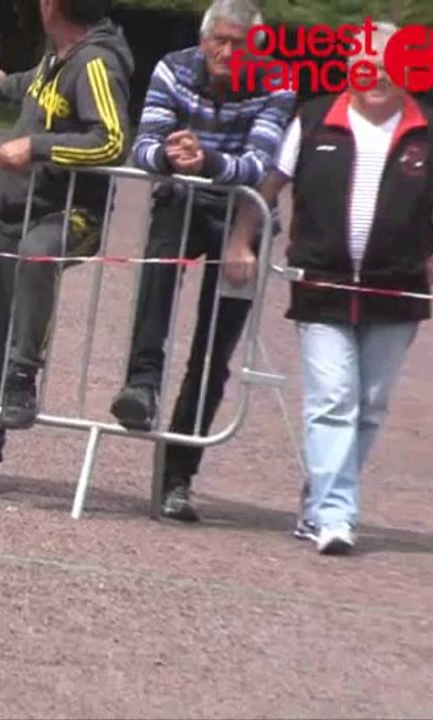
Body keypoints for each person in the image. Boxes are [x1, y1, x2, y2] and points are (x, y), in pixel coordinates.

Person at [223, 22, 433, 554]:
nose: (376, 74)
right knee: (334, 399)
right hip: (322, 282)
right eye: (366, 64)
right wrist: (241, 239)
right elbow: (268, 186)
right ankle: (335, 514)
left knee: (371, 404)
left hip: (398, 290)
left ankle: (321, 498)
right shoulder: (313, 120)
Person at [107, 0, 296, 521]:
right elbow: (140, 146)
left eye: (239, 43)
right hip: (183, 201)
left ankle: (178, 477)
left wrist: (207, 160)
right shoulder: (174, 67)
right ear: (204, 36)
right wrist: (171, 154)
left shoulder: (278, 81)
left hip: (245, 217)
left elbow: (261, 162)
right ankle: (141, 384)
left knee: (213, 354)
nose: (228, 52)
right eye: (221, 40)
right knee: (160, 260)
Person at [0, 0, 133, 494]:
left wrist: (35, 149)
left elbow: (112, 140)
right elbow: (35, 86)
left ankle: (23, 376)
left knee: (38, 253)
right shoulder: (60, 54)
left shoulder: (96, 61)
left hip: (67, 213)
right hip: (12, 210)